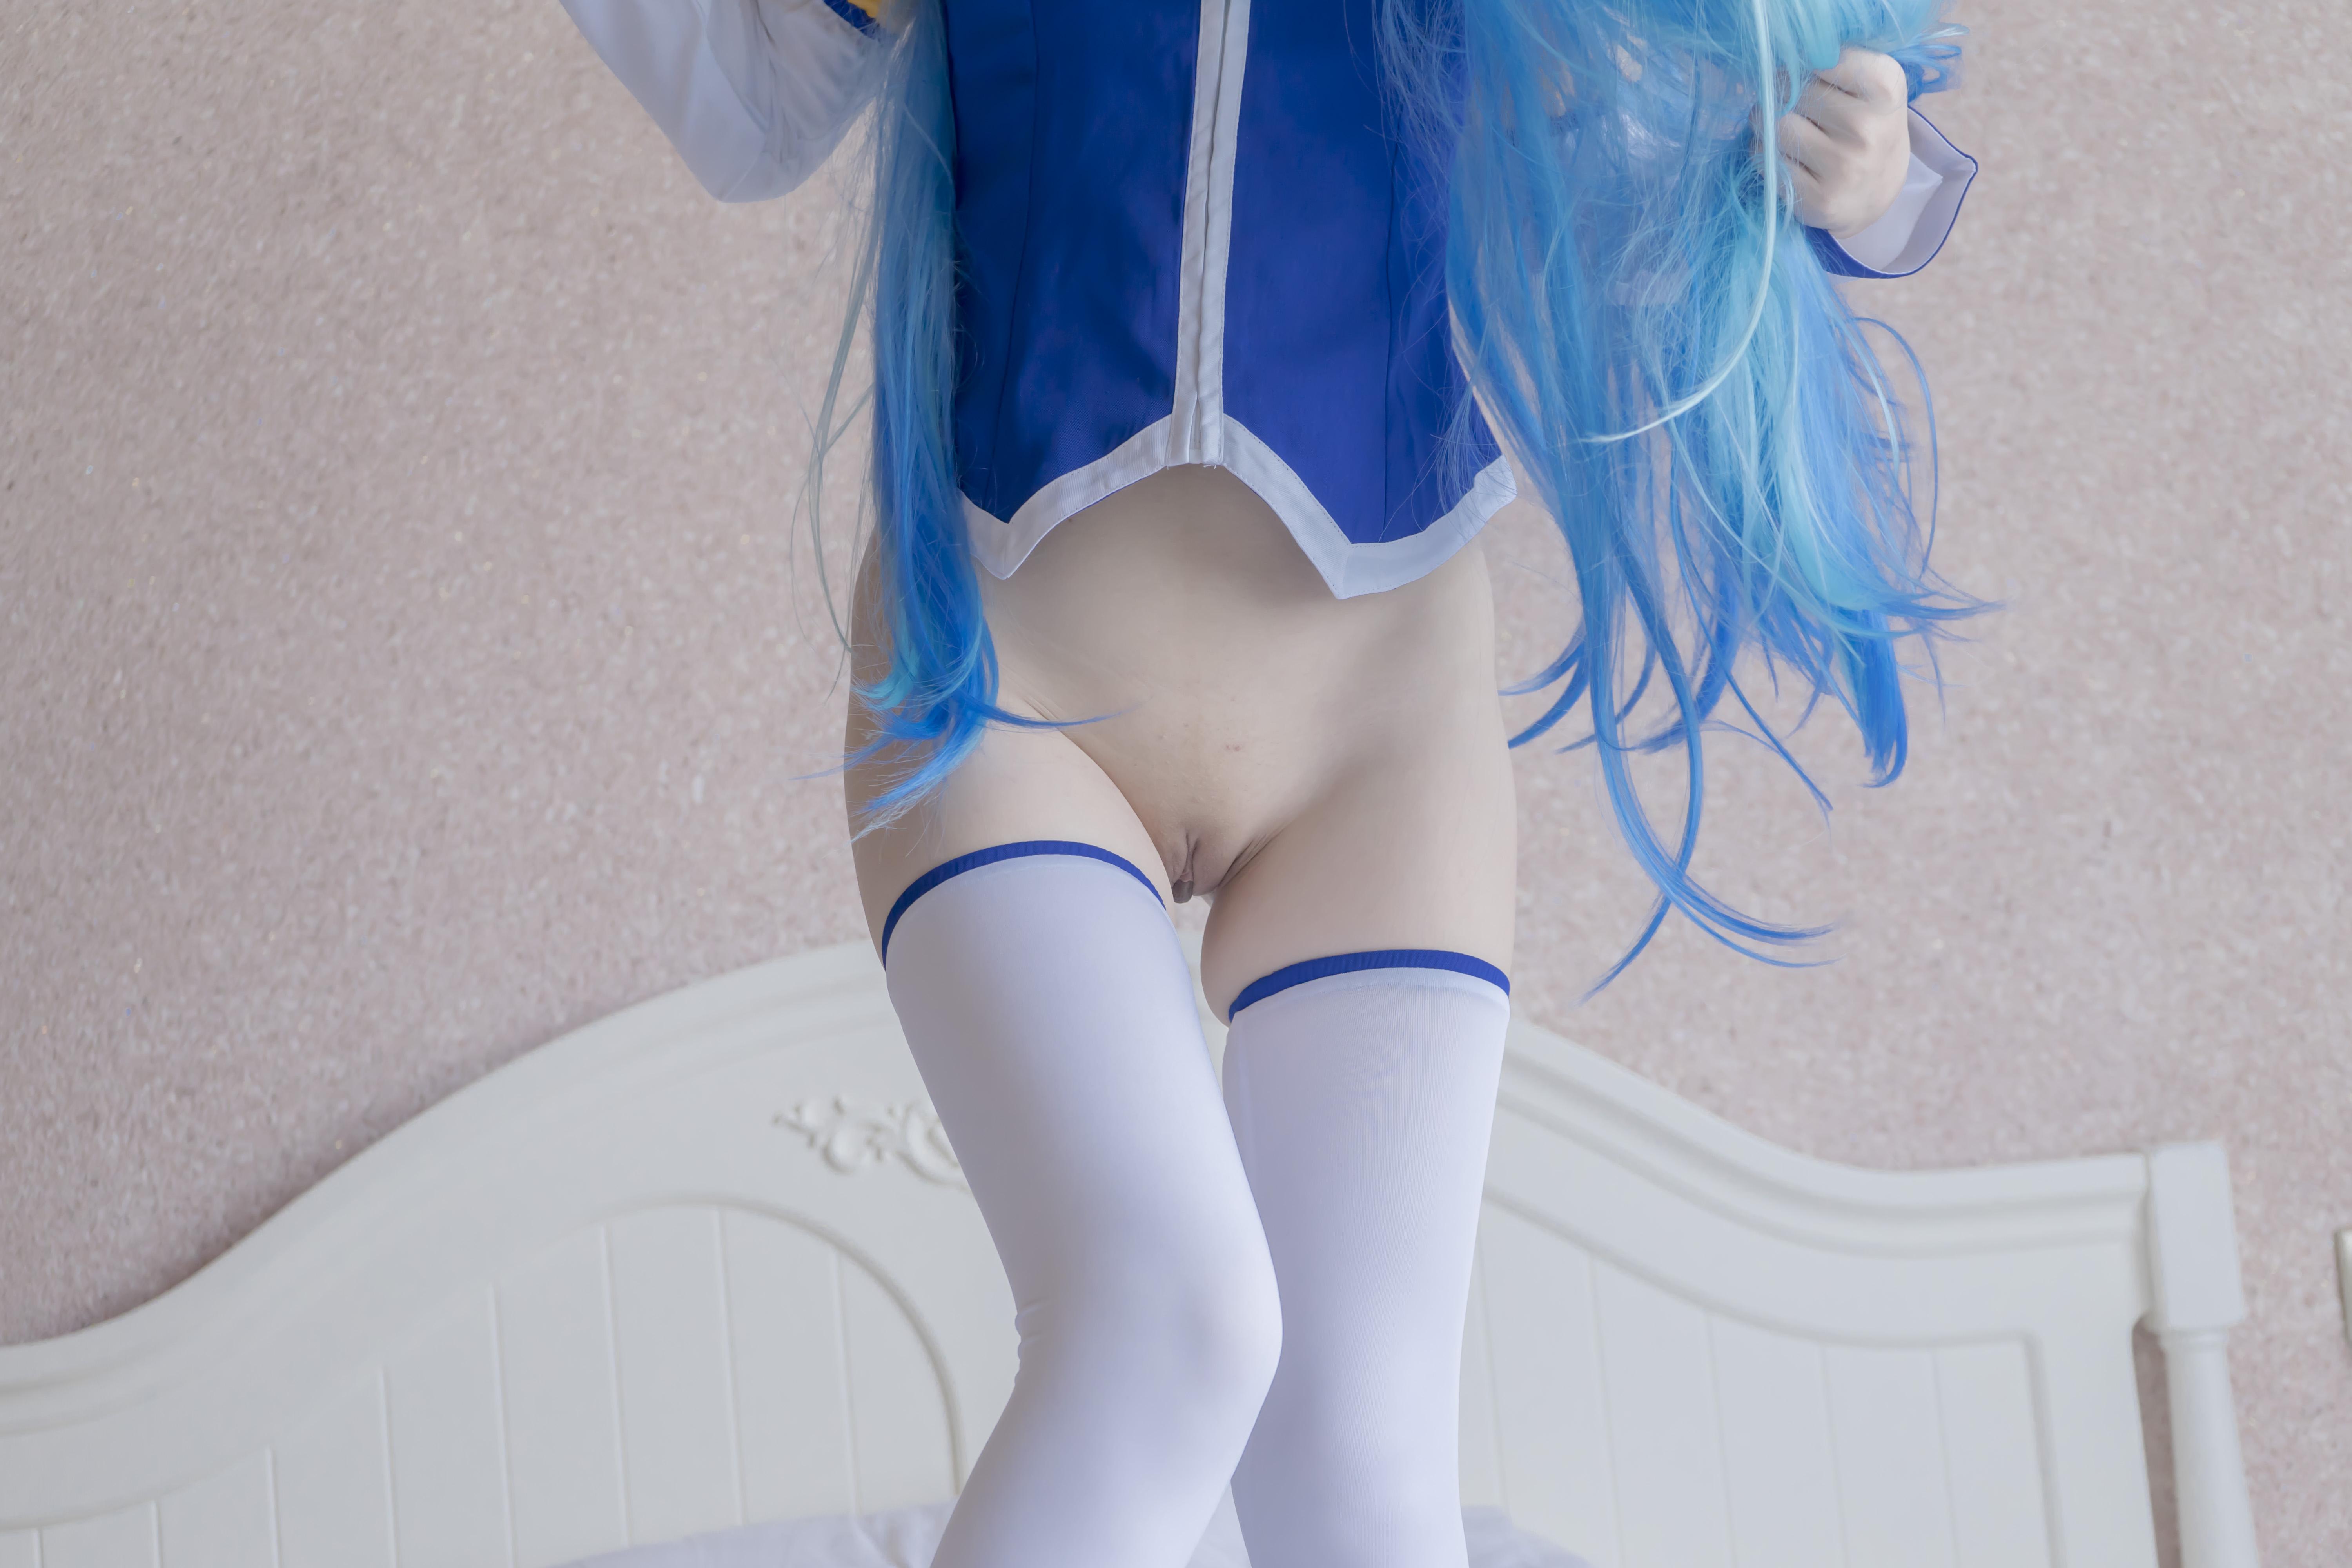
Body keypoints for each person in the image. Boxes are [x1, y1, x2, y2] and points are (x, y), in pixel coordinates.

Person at [559, 4, 1978, 1565]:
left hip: (1380, 720)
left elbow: (1652, 188)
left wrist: (1857, 176)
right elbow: (748, 116)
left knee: (1361, 1463)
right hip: (1012, 681)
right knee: (1168, 1321)